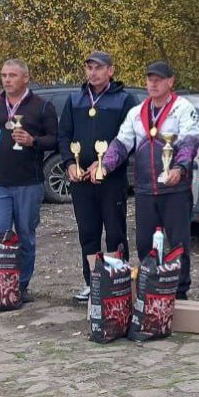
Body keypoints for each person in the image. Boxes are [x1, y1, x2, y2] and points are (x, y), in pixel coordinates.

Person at [98, 61, 198, 297]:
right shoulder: (137, 112)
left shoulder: (183, 108)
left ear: (170, 82)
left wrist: (180, 168)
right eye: (149, 79)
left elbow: (189, 142)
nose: (153, 83)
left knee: (178, 244)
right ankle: (150, 288)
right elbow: (121, 143)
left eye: (158, 79)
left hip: (175, 190)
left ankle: (180, 292)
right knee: (144, 243)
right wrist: (105, 165)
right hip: (144, 189)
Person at [57, 51, 138, 300]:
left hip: (111, 179)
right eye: (89, 68)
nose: (93, 72)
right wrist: (70, 163)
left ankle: (116, 282)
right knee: (88, 232)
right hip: (81, 180)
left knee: (114, 231)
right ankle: (93, 282)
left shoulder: (125, 100)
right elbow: (64, 135)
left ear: (110, 71)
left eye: (98, 68)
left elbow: (128, 138)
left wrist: (105, 166)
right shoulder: (75, 99)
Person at [0, 58, 58, 302]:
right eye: (3, 75)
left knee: (25, 235)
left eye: (12, 75)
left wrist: (33, 141)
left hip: (28, 183)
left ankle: (21, 286)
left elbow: (55, 140)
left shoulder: (42, 107)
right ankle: (0, 283)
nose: (7, 80)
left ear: (25, 78)